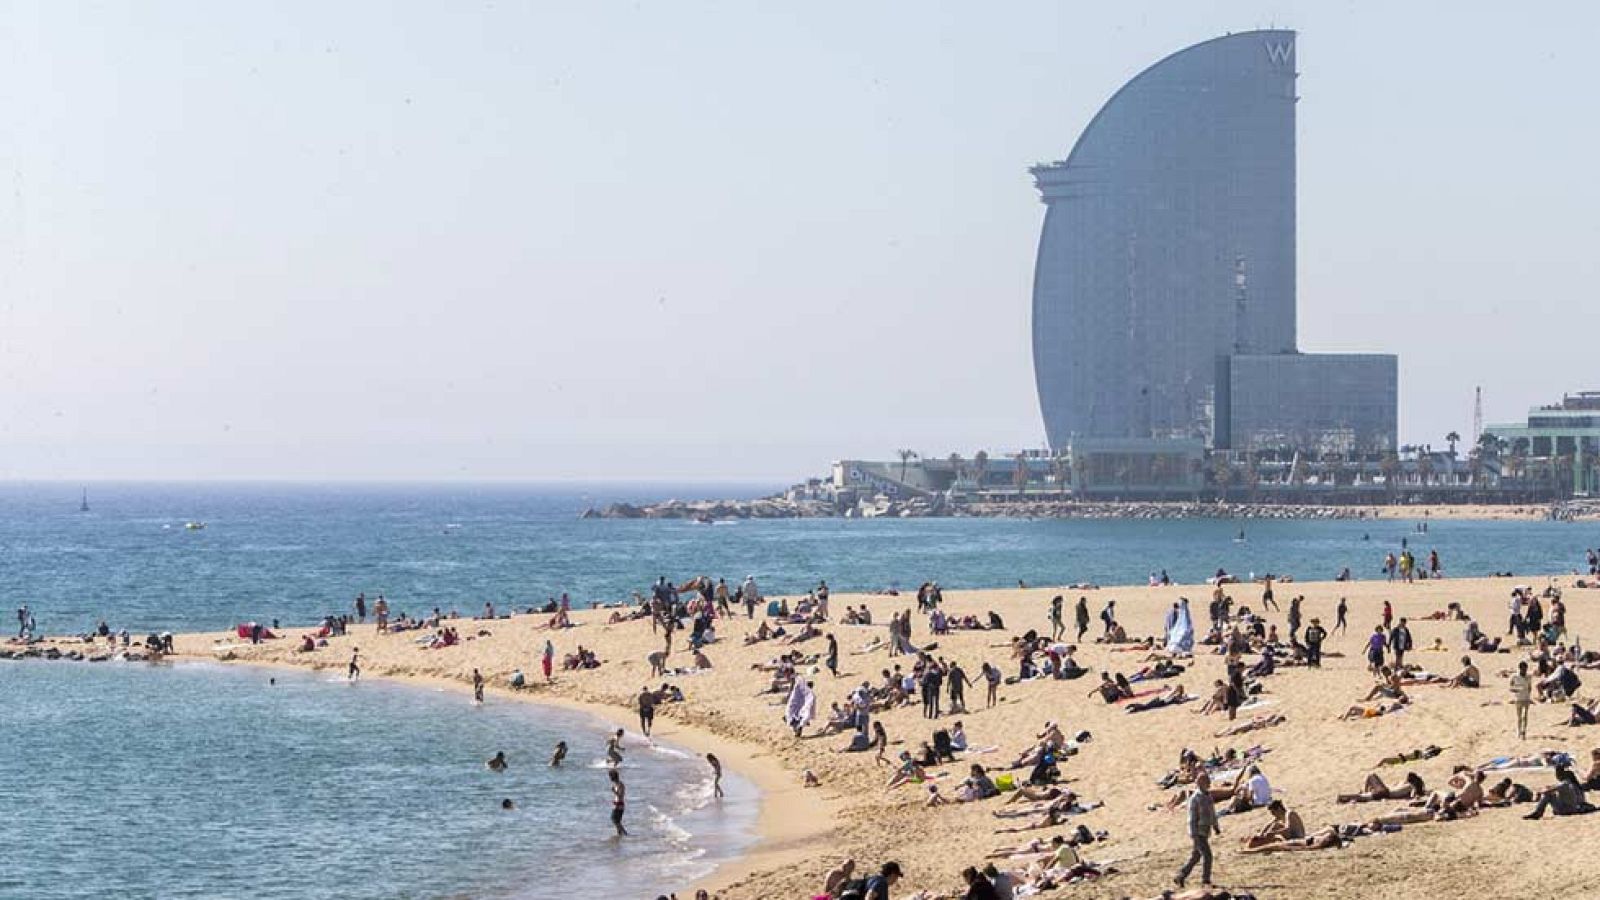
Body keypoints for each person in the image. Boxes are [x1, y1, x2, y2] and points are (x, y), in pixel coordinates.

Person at [1176, 772, 1220, 888]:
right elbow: (1191, 818)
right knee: (1207, 855)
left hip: (1205, 831)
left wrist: (1215, 826)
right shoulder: (1195, 798)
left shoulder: (1208, 796)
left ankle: (1180, 875)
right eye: (1206, 781)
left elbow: (1212, 813)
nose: (1209, 783)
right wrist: (1193, 834)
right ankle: (1205, 880)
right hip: (1198, 832)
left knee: (1196, 856)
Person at [1511, 661, 1534, 740]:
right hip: (1518, 699)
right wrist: (1517, 689)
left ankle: (1524, 731)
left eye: (1525, 669)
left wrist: (1528, 695)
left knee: (1525, 716)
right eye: (1523, 669)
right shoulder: (1515, 677)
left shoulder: (1529, 677)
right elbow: (1511, 688)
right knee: (1519, 717)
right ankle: (1519, 731)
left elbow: (1530, 687)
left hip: (1526, 698)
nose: (1524, 671)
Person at [608, 768, 629, 836]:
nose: (610, 778)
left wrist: (614, 791)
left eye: (610, 776)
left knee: (614, 820)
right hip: (617, 804)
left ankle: (626, 834)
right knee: (617, 821)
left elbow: (621, 795)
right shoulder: (616, 784)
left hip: (619, 805)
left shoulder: (620, 784)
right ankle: (619, 835)